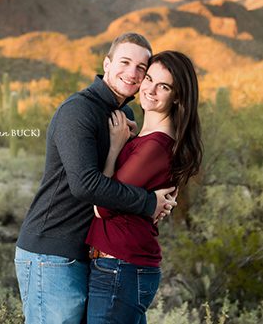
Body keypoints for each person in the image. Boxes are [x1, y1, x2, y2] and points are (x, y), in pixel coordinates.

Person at [15, 33, 178, 324]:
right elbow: (85, 184)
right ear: (107, 63)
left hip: (91, 254)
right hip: (52, 252)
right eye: (125, 62)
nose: (132, 72)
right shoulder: (78, 110)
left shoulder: (123, 114)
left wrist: (162, 196)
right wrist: (147, 202)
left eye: (141, 68)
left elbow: (131, 173)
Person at [86, 50, 203, 324]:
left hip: (120, 268)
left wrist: (115, 149)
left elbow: (102, 206)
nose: (150, 89)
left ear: (177, 96)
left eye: (163, 86)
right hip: (121, 267)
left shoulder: (154, 146)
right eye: (148, 78)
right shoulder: (146, 138)